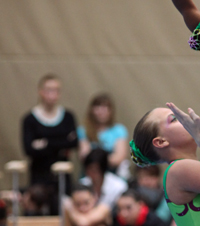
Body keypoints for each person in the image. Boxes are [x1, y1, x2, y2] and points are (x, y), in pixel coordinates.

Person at [21, 73, 78, 214]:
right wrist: (61, 143)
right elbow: (28, 149)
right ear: (41, 91)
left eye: (56, 90)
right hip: (40, 174)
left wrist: (45, 143)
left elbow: (74, 142)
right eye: (49, 90)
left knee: (62, 211)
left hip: (63, 175)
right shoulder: (30, 119)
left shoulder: (68, 117)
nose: (52, 94)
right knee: (36, 211)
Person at [78, 93, 130, 179]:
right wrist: (107, 160)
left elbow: (119, 157)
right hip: (89, 177)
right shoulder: (83, 130)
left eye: (105, 107)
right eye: (98, 107)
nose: (101, 111)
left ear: (111, 110)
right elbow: (84, 156)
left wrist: (96, 161)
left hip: (113, 176)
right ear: (91, 110)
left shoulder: (119, 130)